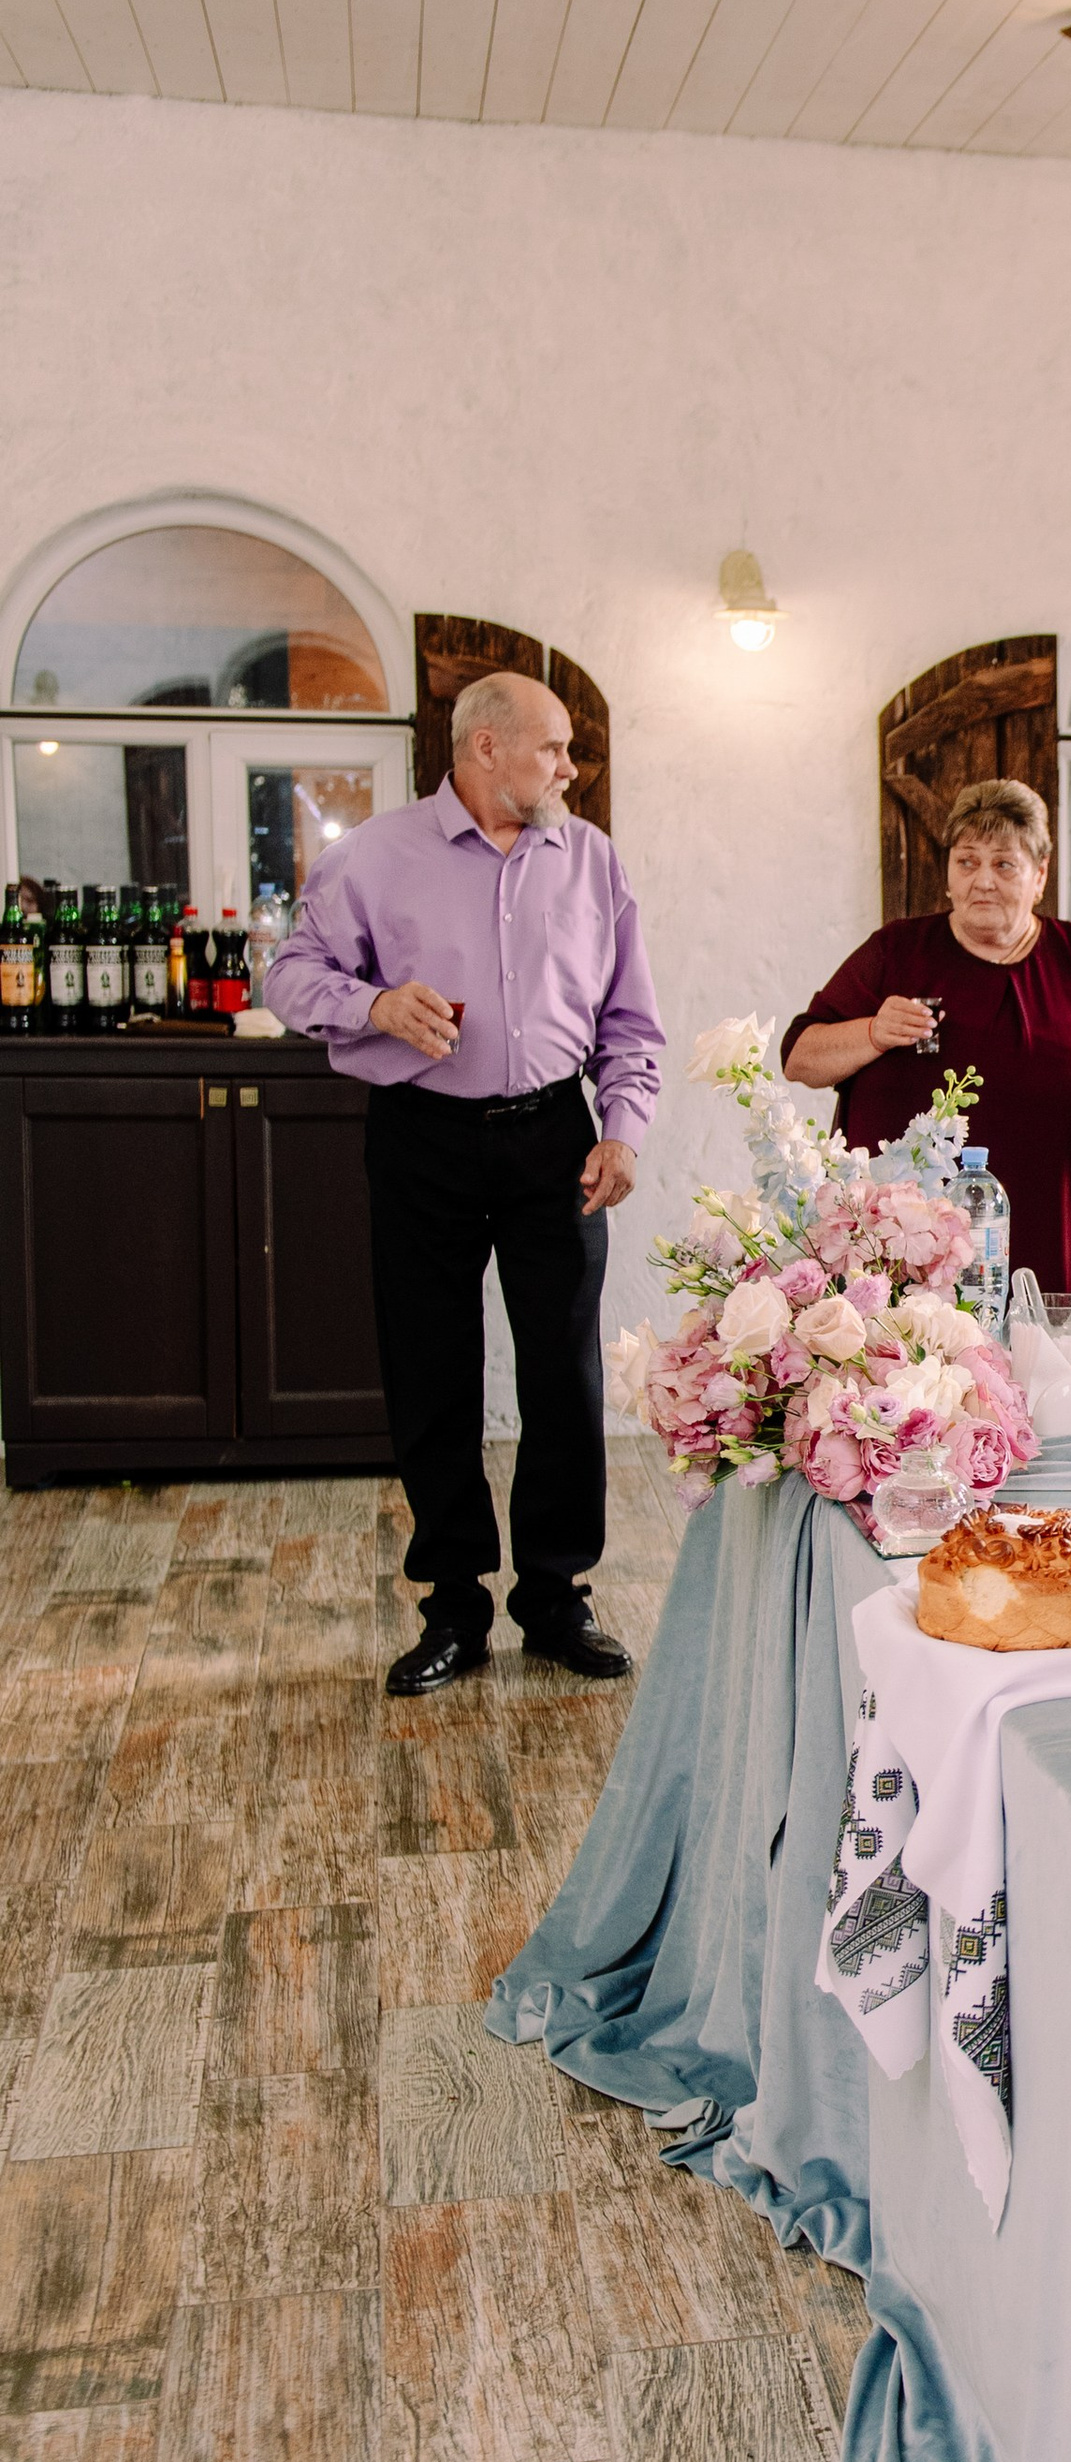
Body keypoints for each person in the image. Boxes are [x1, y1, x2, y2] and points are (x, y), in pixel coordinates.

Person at [264, 671, 663, 1696]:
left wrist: (621, 1131)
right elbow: (291, 976)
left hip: (554, 1141)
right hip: (420, 1139)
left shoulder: (591, 860)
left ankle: (557, 1595)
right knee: (431, 1369)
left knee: (563, 1374)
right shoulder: (374, 857)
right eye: (553, 748)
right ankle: (453, 1605)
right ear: (485, 747)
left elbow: (629, 1022)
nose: (570, 768)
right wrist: (376, 1006)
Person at [780, 778, 1071, 1333]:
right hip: (908, 1264)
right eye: (967, 861)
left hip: (1053, 1255)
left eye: (1005, 864)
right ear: (949, 874)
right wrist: (873, 1031)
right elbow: (800, 1058)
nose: (983, 880)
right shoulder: (896, 952)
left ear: (1040, 876)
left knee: (1056, 1406)